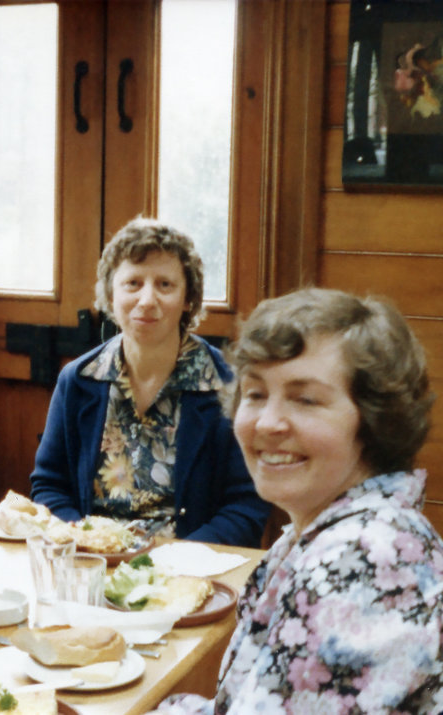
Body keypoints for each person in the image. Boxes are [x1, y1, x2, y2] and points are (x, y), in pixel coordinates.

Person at [153, 288, 443, 713]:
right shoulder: (341, 529)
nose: (268, 422)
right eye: (254, 394)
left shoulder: (363, 560)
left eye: (305, 399)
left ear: (376, 419)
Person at [30, 217, 270, 546]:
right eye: (133, 283)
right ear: (111, 296)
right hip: (91, 561)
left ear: (188, 299)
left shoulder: (227, 385)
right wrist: (87, 542)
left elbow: (247, 506)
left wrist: (180, 557)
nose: (147, 300)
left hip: (191, 571)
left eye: (164, 285)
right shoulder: (78, 380)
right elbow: (49, 487)